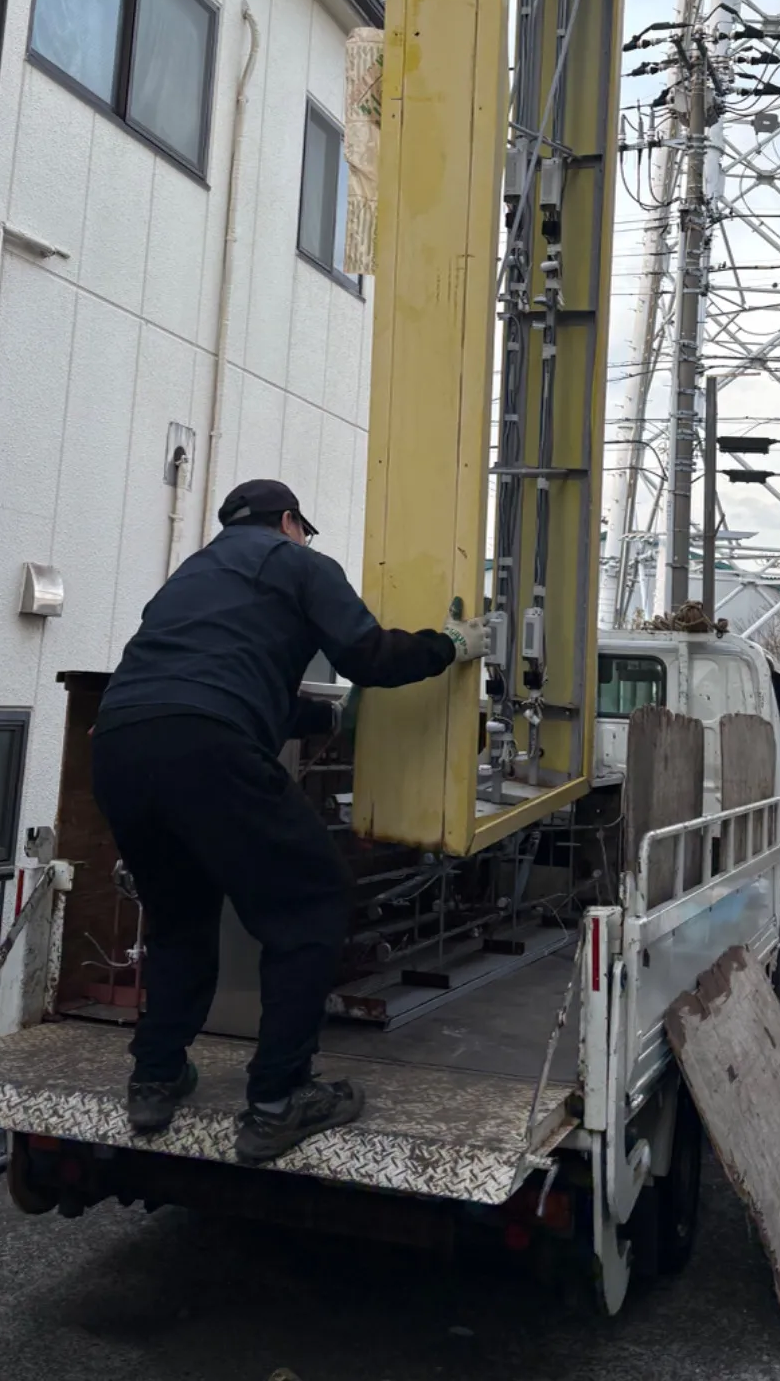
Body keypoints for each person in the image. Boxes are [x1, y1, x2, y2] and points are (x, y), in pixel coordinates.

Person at [92, 476, 489, 1163]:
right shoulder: (300, 563)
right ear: (288, 522)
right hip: (208, 746)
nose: (305, 540)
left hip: (120, 746)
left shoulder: (191, 576)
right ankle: (279, 1099)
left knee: (181, 918)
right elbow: (366, 655)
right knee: (312, 904)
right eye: (303, 529)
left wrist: (325, 716)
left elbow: (221, 681)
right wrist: (449, 646)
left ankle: (155, 1079)